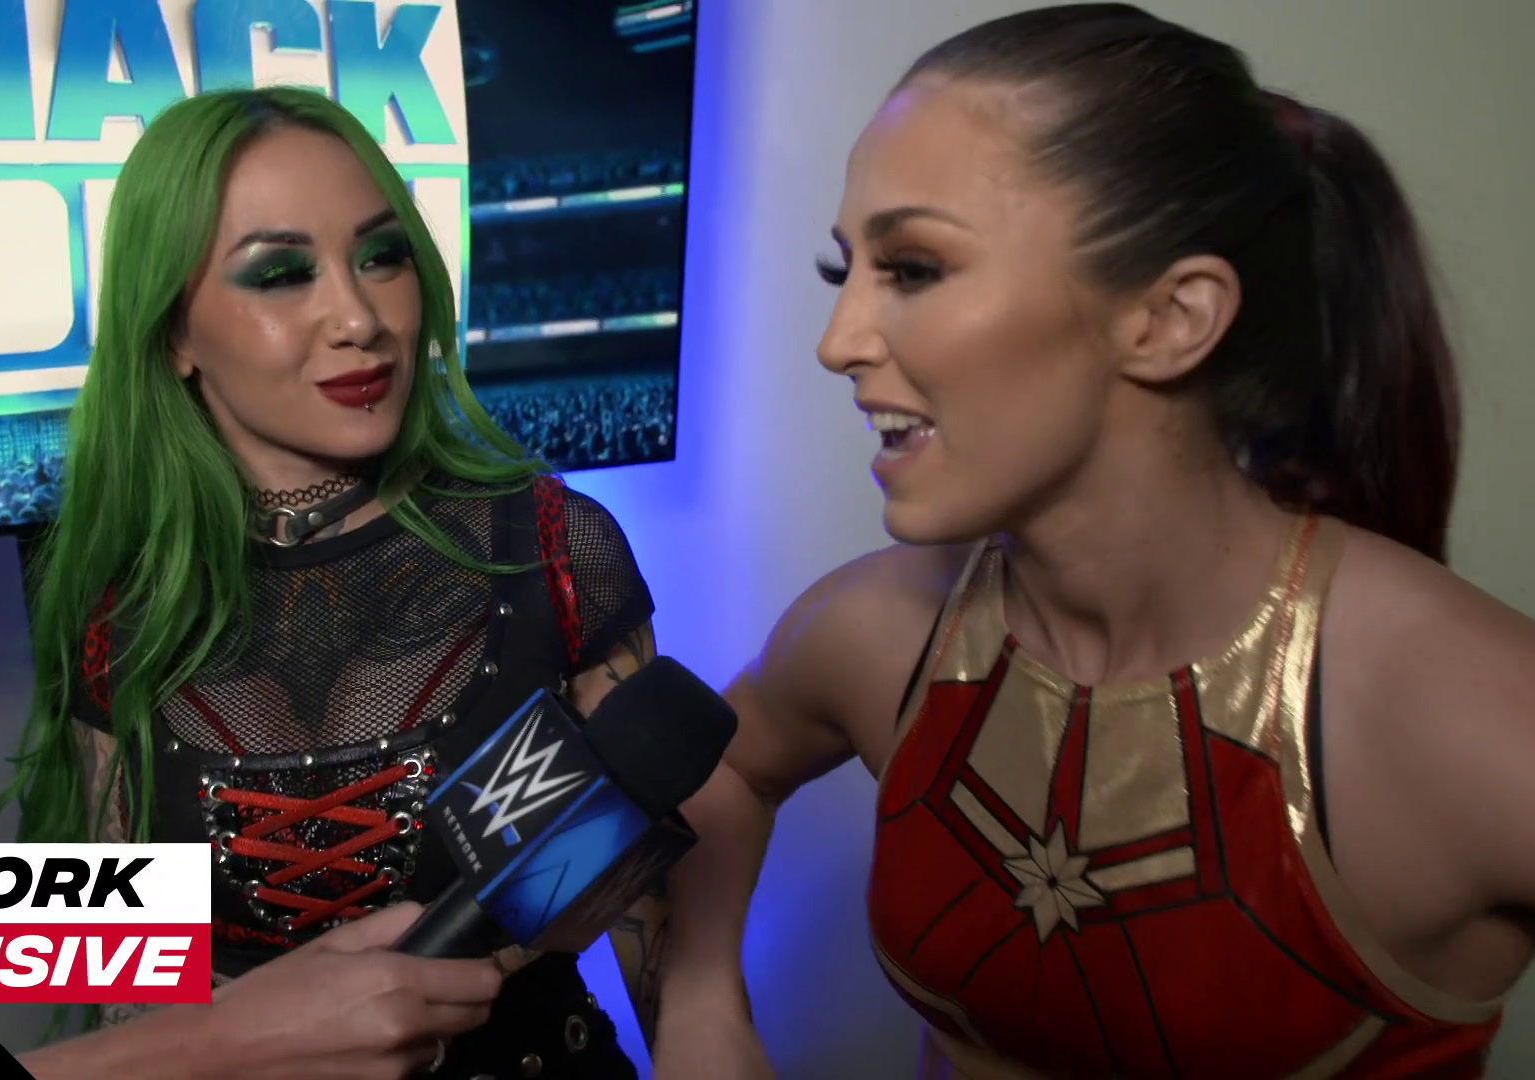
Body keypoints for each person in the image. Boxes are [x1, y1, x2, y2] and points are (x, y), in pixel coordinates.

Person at [651, 5, 1535, 1078]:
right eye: (848, 274)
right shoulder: (877, 634)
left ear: (1171, 319)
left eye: (915, 268)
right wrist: (700, 1000)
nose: (838, 343)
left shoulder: (1466, 718)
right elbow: (719, 767)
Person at [0, 86, 666, 1080]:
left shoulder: (559, 548)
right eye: (281, 273)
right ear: (173, 335)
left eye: (381, 256)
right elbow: (132, 998)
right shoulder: (114, 614)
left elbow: (647, 916)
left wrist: (701, 1015)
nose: (359, 317)